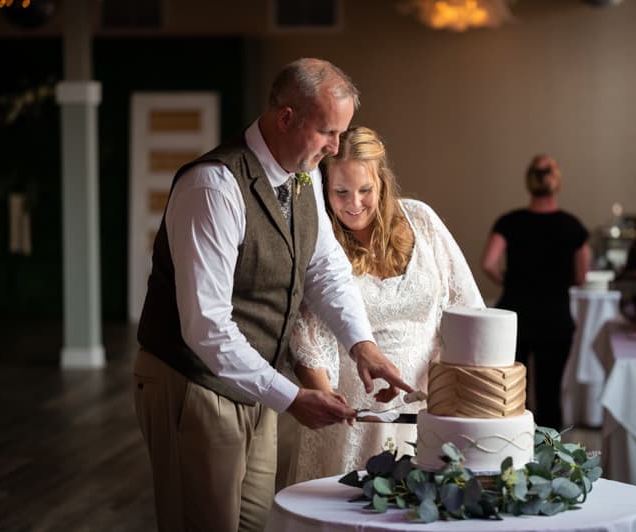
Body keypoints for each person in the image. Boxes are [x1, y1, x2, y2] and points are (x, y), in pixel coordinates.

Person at [132, 59, 413, 532]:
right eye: (327, 131)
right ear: (286, 118)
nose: (335, 147)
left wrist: (362, 344)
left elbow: (326, 270)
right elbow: (205, 327)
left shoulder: (302, 179)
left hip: (254, 387)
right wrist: (292, 397)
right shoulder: (213, 186)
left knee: (254, 525)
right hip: (192, 382)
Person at [281, 126, 484, 484]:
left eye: (365, 190)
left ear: (382, 183)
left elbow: (466, 306)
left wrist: (442, 388)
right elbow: (305, 335)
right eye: (340, 192)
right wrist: (332, 405)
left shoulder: (421, 220)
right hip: (353, 418)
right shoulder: (320, 241)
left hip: (427, 407)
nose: (354, 204)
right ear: (324, 188)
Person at [481, 154, 590, 430]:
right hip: (555, 319)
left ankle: (513, 450)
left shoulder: (509, 221)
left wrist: (510, 280)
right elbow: (581, 276)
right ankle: (551, 457)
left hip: (516, 318)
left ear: (529, 181)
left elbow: (488, 263)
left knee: (513, 394)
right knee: (550, 395)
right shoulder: (573, 226)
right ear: (557, 181)